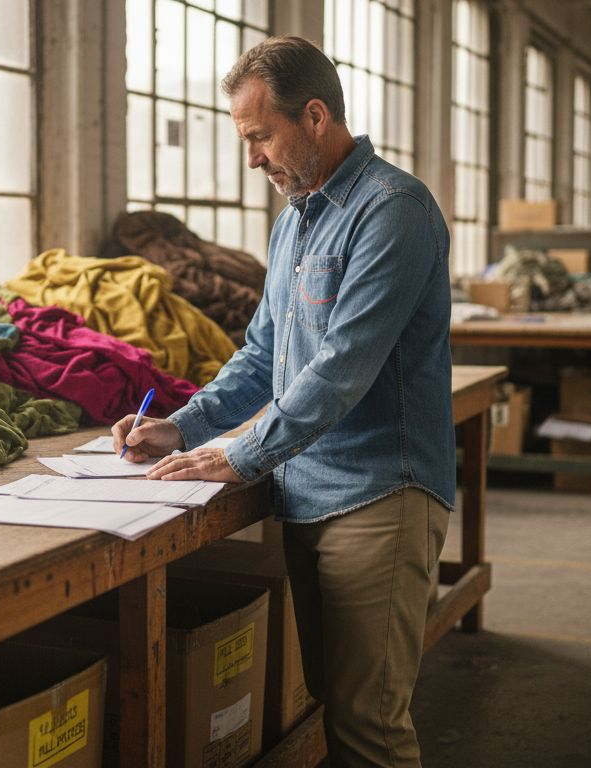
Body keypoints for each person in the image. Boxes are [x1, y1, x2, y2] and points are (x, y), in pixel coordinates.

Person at [112, 35, 453, 768]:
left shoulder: (393, 211)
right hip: (305, 494)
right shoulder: (296, 219)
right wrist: (181, 426)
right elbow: (263, 356)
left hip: (378, 499)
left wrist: (236, 455)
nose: (252, 158)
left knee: (370, 727)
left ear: (317, 117)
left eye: (260, 136)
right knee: (335, 705)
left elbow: (340, 370)